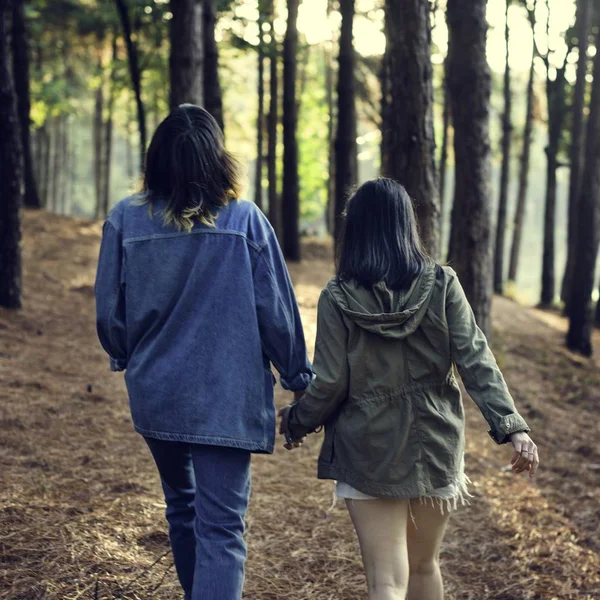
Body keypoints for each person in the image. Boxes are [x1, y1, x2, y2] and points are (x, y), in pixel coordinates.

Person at [279, 178, 539, 600]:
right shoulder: (442, 284)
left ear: (356, 229)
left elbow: (329, 383)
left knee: (387, 581)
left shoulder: (337, 296)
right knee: (423, 568)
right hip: (434, 443)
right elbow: (475, 360)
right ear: (407, 225)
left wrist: (296, 421)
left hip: (368, 447)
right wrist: (513, 427)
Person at [94, 104, 312, 600]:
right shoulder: (245, 220)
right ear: (217, 159)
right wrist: (299, 377)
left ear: (157, 159)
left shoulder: (126, 218)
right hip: (226, 400)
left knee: (182, 507)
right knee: (221, 528)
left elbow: (110, 314)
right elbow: (277, 311)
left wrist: (129, 356)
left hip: (157, 393)